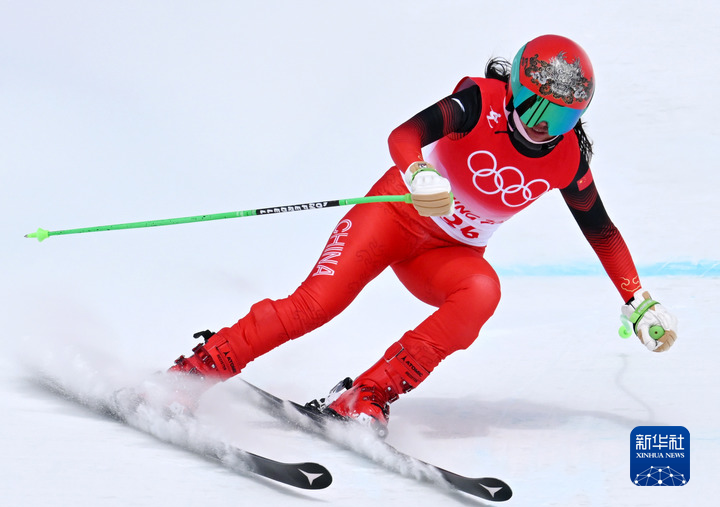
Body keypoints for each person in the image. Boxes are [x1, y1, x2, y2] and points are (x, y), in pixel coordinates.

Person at [167, 34, 678, 435]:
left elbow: (602, 231)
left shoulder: (567, 159)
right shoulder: (478, 103)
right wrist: (418, 172)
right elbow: (404, 135)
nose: (546, 127)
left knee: (483, 292)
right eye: (538, 108)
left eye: (564, 117)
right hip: (392, 217)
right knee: (316, 305)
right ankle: (197, 370)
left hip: (446, 253)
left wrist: (637, 300)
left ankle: (366, 395)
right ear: (516, 91)